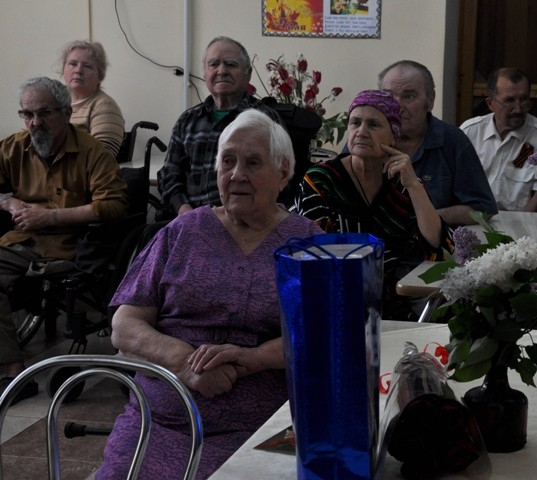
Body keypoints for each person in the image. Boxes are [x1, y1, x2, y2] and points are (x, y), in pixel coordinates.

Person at [96, 109, 323, 479]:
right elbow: (125, 325)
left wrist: (255, 358)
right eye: (228, 161)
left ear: (283, 173)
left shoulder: (309, 243)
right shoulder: (182, 231)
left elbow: (326, 335)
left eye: (253, 163)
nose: (237, 174)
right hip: (161, 419)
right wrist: (186, 363)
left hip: (265, 425)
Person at [0, 77, 127, 403]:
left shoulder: (92, 152)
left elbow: (113, 205)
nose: (35, 123)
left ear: (66, 113)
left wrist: (51, 216)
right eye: (27, 114)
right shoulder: (13, 147)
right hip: (21, 240)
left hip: (72, 246)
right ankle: (14, 372)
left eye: (44, 113)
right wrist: (10, 203)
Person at [293, 89, 454, 321]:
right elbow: (315, 251)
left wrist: (414, 185)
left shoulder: (401, 185)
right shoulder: (321, 179)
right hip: (333, 300)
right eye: (355, 123)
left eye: (373, 125)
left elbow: (436, 245)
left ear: (393, 137)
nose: (361, 132)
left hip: (391, 302)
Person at [157, 36, 282, 219]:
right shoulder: (188, 120)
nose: (221, 71)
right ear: (205, 73)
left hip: (243, 222)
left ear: (248, 74)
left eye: (231, 64)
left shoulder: (265, 120)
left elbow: (278, 178)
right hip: (187, 220)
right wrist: (184, 211)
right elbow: (169, 175)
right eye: (214, 64)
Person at [377, 60, 497, 226]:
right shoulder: (366, 136)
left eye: (409, 96)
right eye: (389, 96)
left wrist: (425, 218)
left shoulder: (452, 140)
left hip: (435, 237)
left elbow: (483, 209)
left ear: (430, 100)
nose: (397, 106)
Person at [460, 67, 537, 212]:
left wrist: (521, 223)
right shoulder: (470, 131)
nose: (518, 109)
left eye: (524, 99)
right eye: (509, 100)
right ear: (490, 103)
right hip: (471, 216)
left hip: (518, 220)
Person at [58, 40, 125, 158]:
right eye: (72, 64)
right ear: (63, 69)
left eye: (87, 66)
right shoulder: (54, 101)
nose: (78, 70)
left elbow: (103, 158)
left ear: (100, 75)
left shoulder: (104, 106)